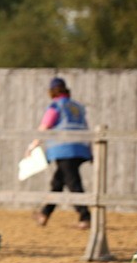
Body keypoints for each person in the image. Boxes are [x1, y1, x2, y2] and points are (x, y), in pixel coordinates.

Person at [28, 77, 91, 230]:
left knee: (73, 183)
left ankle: (86, 217)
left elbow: (45, 126)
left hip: (64, 149)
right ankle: (44, 214)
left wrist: (33, 144)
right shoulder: (77, 107)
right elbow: (85, 127)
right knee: (57, 183)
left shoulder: (56, 106)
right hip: (80, 148)